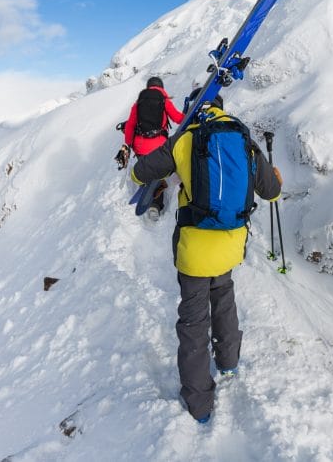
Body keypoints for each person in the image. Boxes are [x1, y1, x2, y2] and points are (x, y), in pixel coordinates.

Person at [131, 90, 282, 423]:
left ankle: (199, 403)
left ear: (192, 109)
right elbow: (271, 191)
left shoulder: (185, 139)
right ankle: (228, 364)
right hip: (231, 245)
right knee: (224, 298)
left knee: (194, 322)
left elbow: (141, 172)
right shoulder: (243, 137)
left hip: (194, 249)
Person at [116, 76, 185, 218]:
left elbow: (130, 126)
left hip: (140, 146)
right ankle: (155, 206)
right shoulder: (164, 100)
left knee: (147, 168)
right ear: (161, 87)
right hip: (159, 146)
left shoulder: (139, 103)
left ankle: (145, 182)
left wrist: (128, 144)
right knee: (158, 172)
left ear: (148, 87)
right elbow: (178, 118)